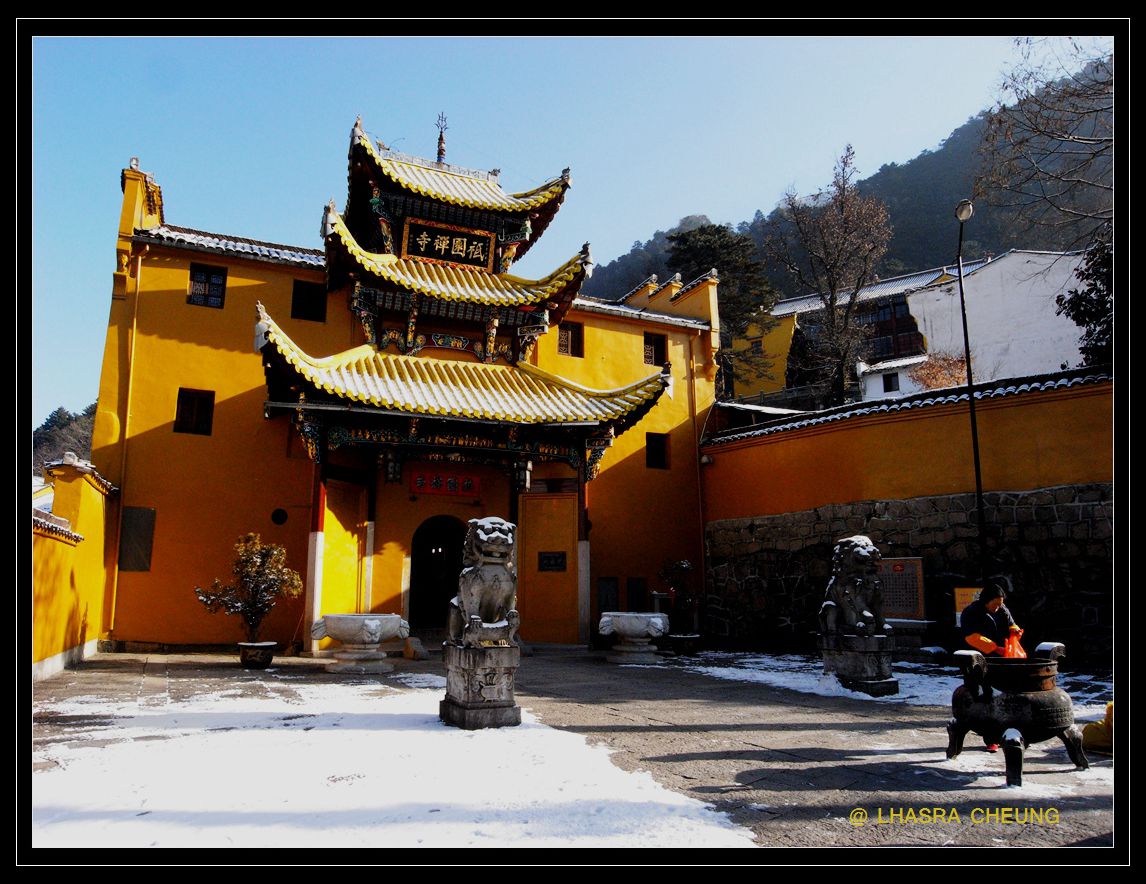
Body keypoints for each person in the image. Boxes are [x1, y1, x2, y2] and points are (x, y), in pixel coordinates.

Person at [960, 582, 1021, 656]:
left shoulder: (1003, 610)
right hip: (978, 656)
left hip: (1002, 653)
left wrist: (1015, 631)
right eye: (995, 604)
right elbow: (971, 637)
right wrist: (996, 649)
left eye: (1000, 604)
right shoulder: (971, 612)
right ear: (986, 600)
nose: (997, 608)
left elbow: (1012, 624)